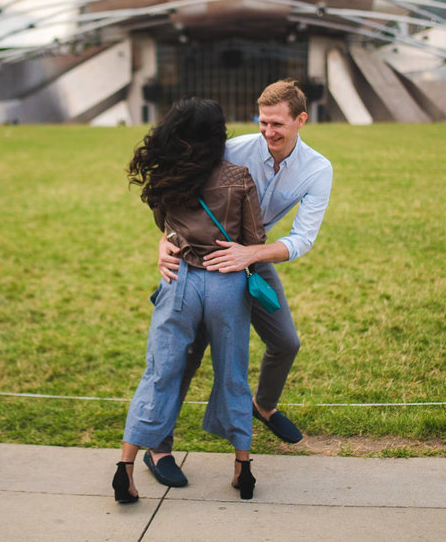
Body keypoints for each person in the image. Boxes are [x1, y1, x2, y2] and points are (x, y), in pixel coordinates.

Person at [144, 79, 333, 489]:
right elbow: (178, 194)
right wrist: (164, 242)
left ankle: (262, 407)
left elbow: (303, 238)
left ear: (302, 120)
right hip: (200, 259)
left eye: (278, 124)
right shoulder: (233, 149)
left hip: (252, 258)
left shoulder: (318, 169)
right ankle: (158, 447)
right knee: (187, 357)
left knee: (286, 342)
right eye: (263, 122)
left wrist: (250, 254)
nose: (268, 133)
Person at [114, 98, 265, 503]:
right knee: (232, 374)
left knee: (159, 373)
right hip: (225, 283)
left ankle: (125, 469)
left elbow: (165, 228)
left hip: (178, 280)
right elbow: (255, 239)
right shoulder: (239, 176)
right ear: (219, 135)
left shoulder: (168, 177)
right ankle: (242, 469)